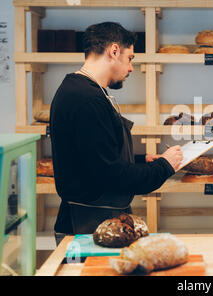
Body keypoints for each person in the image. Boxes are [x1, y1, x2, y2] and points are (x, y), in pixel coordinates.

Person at [50, 22, 183, 245]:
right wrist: (164, 167)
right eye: (130, 58)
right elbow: (112, 176)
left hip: (96, 222)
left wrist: (143, 161)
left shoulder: (82, 91)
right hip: (86, 227)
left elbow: (94, 158)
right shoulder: (86, 99)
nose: (131, 68)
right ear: (114, 51)